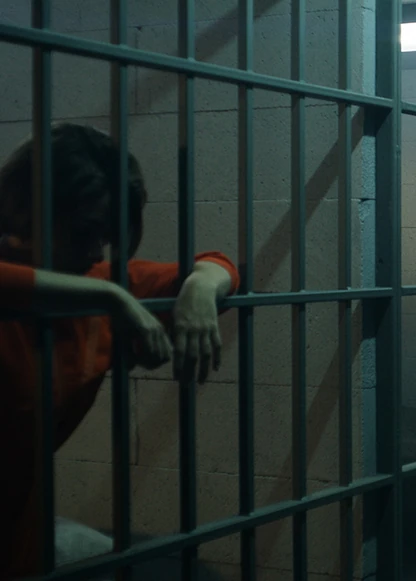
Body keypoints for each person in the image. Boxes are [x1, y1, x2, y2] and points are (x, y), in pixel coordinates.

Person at [0, 123, 241, 578]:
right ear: (27, 209)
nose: (96, 251)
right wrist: (110, 298)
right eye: (83, 231)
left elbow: (218, 265)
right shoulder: (103, 291)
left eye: (106, 235)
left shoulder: (98, 281)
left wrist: (201, 288)